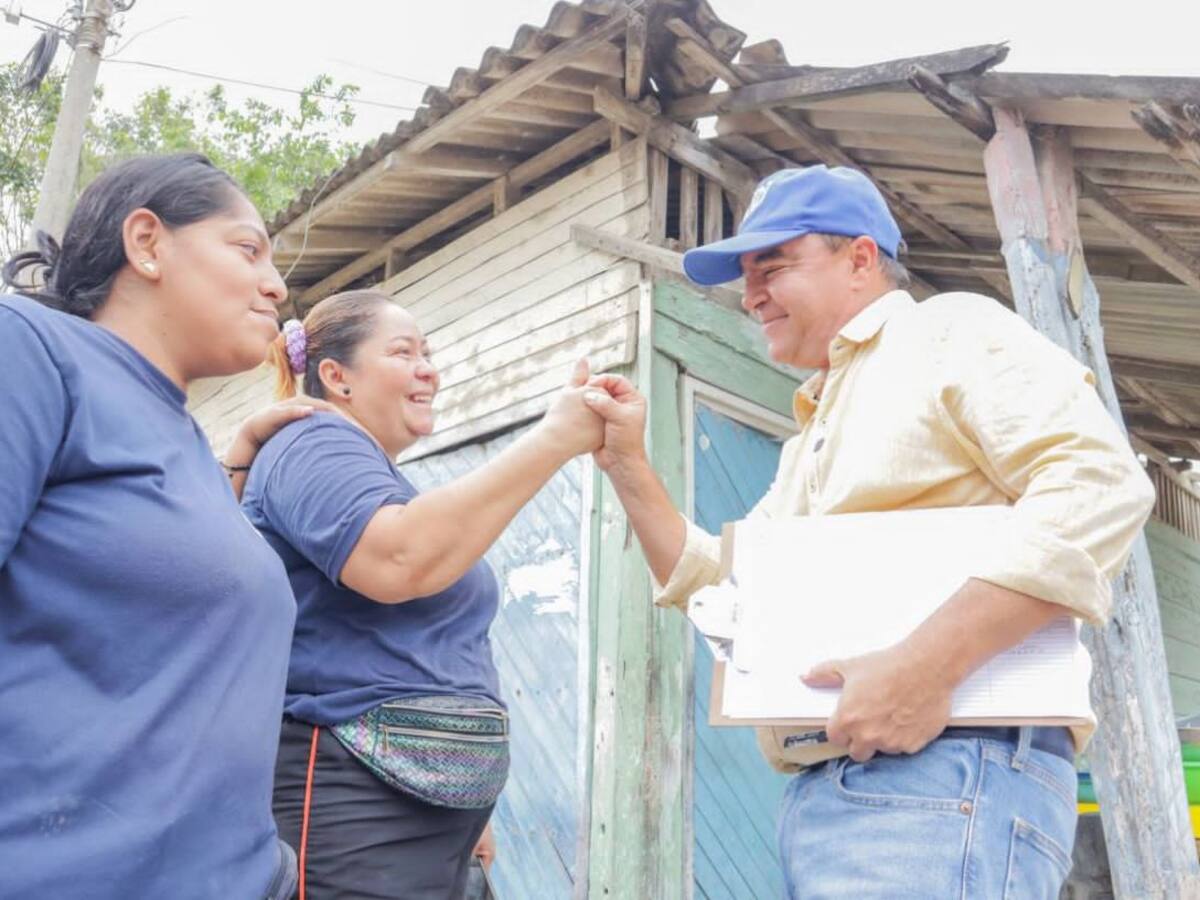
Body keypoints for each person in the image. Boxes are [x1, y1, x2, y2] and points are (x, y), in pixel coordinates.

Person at [580, 164, 1156, 898]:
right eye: (745, 275)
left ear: (858, 259)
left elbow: (1099, 482)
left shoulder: (949, 330)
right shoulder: (811, 437)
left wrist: (927, 665)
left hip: (948, 773)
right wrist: (627, 464)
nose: (751, 294)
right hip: (838, 792)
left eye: (775, 266)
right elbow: (724, 593)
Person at [0, 153, 328, 898]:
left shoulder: (185, 441)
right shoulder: (30, 349)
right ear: (146, 242)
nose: (277, 285)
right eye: (248, 249)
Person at [241, 289, 604, 899]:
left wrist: (468, 804)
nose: (428, 368)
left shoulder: (383, 477)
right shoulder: (314, 441)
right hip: (356, 800)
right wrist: (553, 439)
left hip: (425, 813)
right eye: (403, 352)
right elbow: (398, 559)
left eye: (429, 352)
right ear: (336, 377)